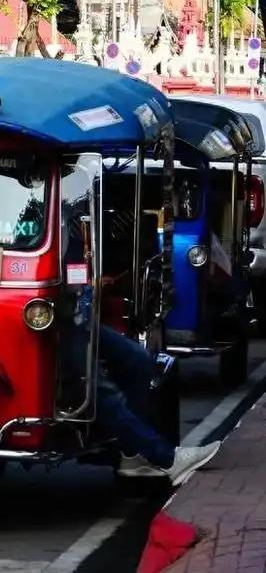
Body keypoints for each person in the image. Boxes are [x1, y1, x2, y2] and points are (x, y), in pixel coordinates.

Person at [60, 205, 220, 484]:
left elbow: (77, 271)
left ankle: (131, 453)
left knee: (138, 359)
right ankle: (165, 458)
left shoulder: (70, 222)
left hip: (77, 317)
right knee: (97, 387)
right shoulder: (33, 220)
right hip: (54, 324)